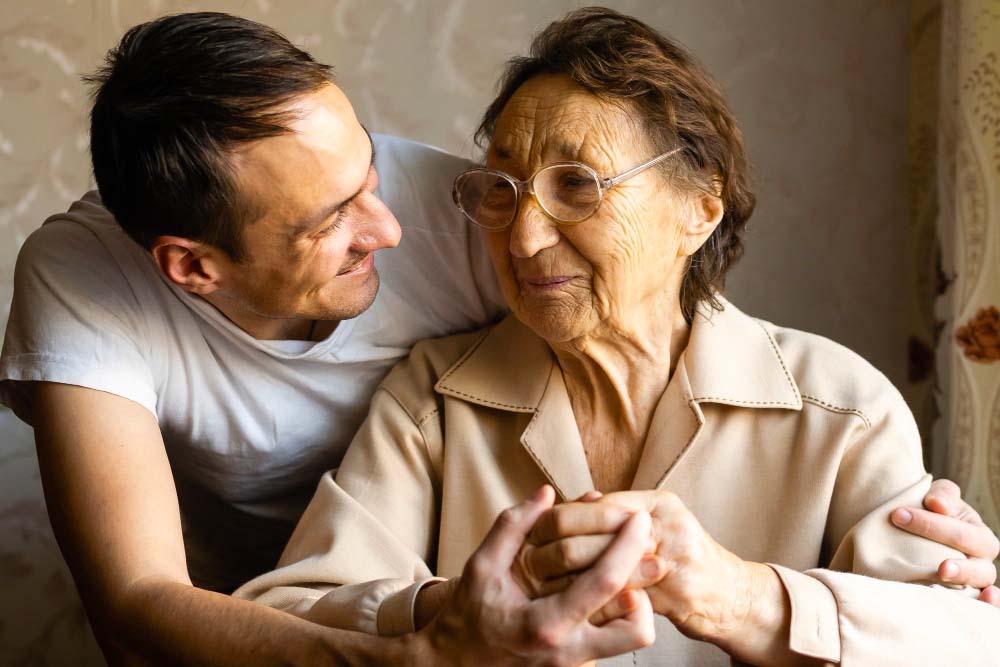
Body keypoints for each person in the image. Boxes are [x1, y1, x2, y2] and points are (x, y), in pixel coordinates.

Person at [0, 9, 994, 667]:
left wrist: (743, 595)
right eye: (504, 188)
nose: (515, 233)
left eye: (576, 185)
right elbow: (261, 606)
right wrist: (446, 617)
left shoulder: (838, 402)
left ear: (700, 205)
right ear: (192, 265)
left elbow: (972, 636)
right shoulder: (432, 395)